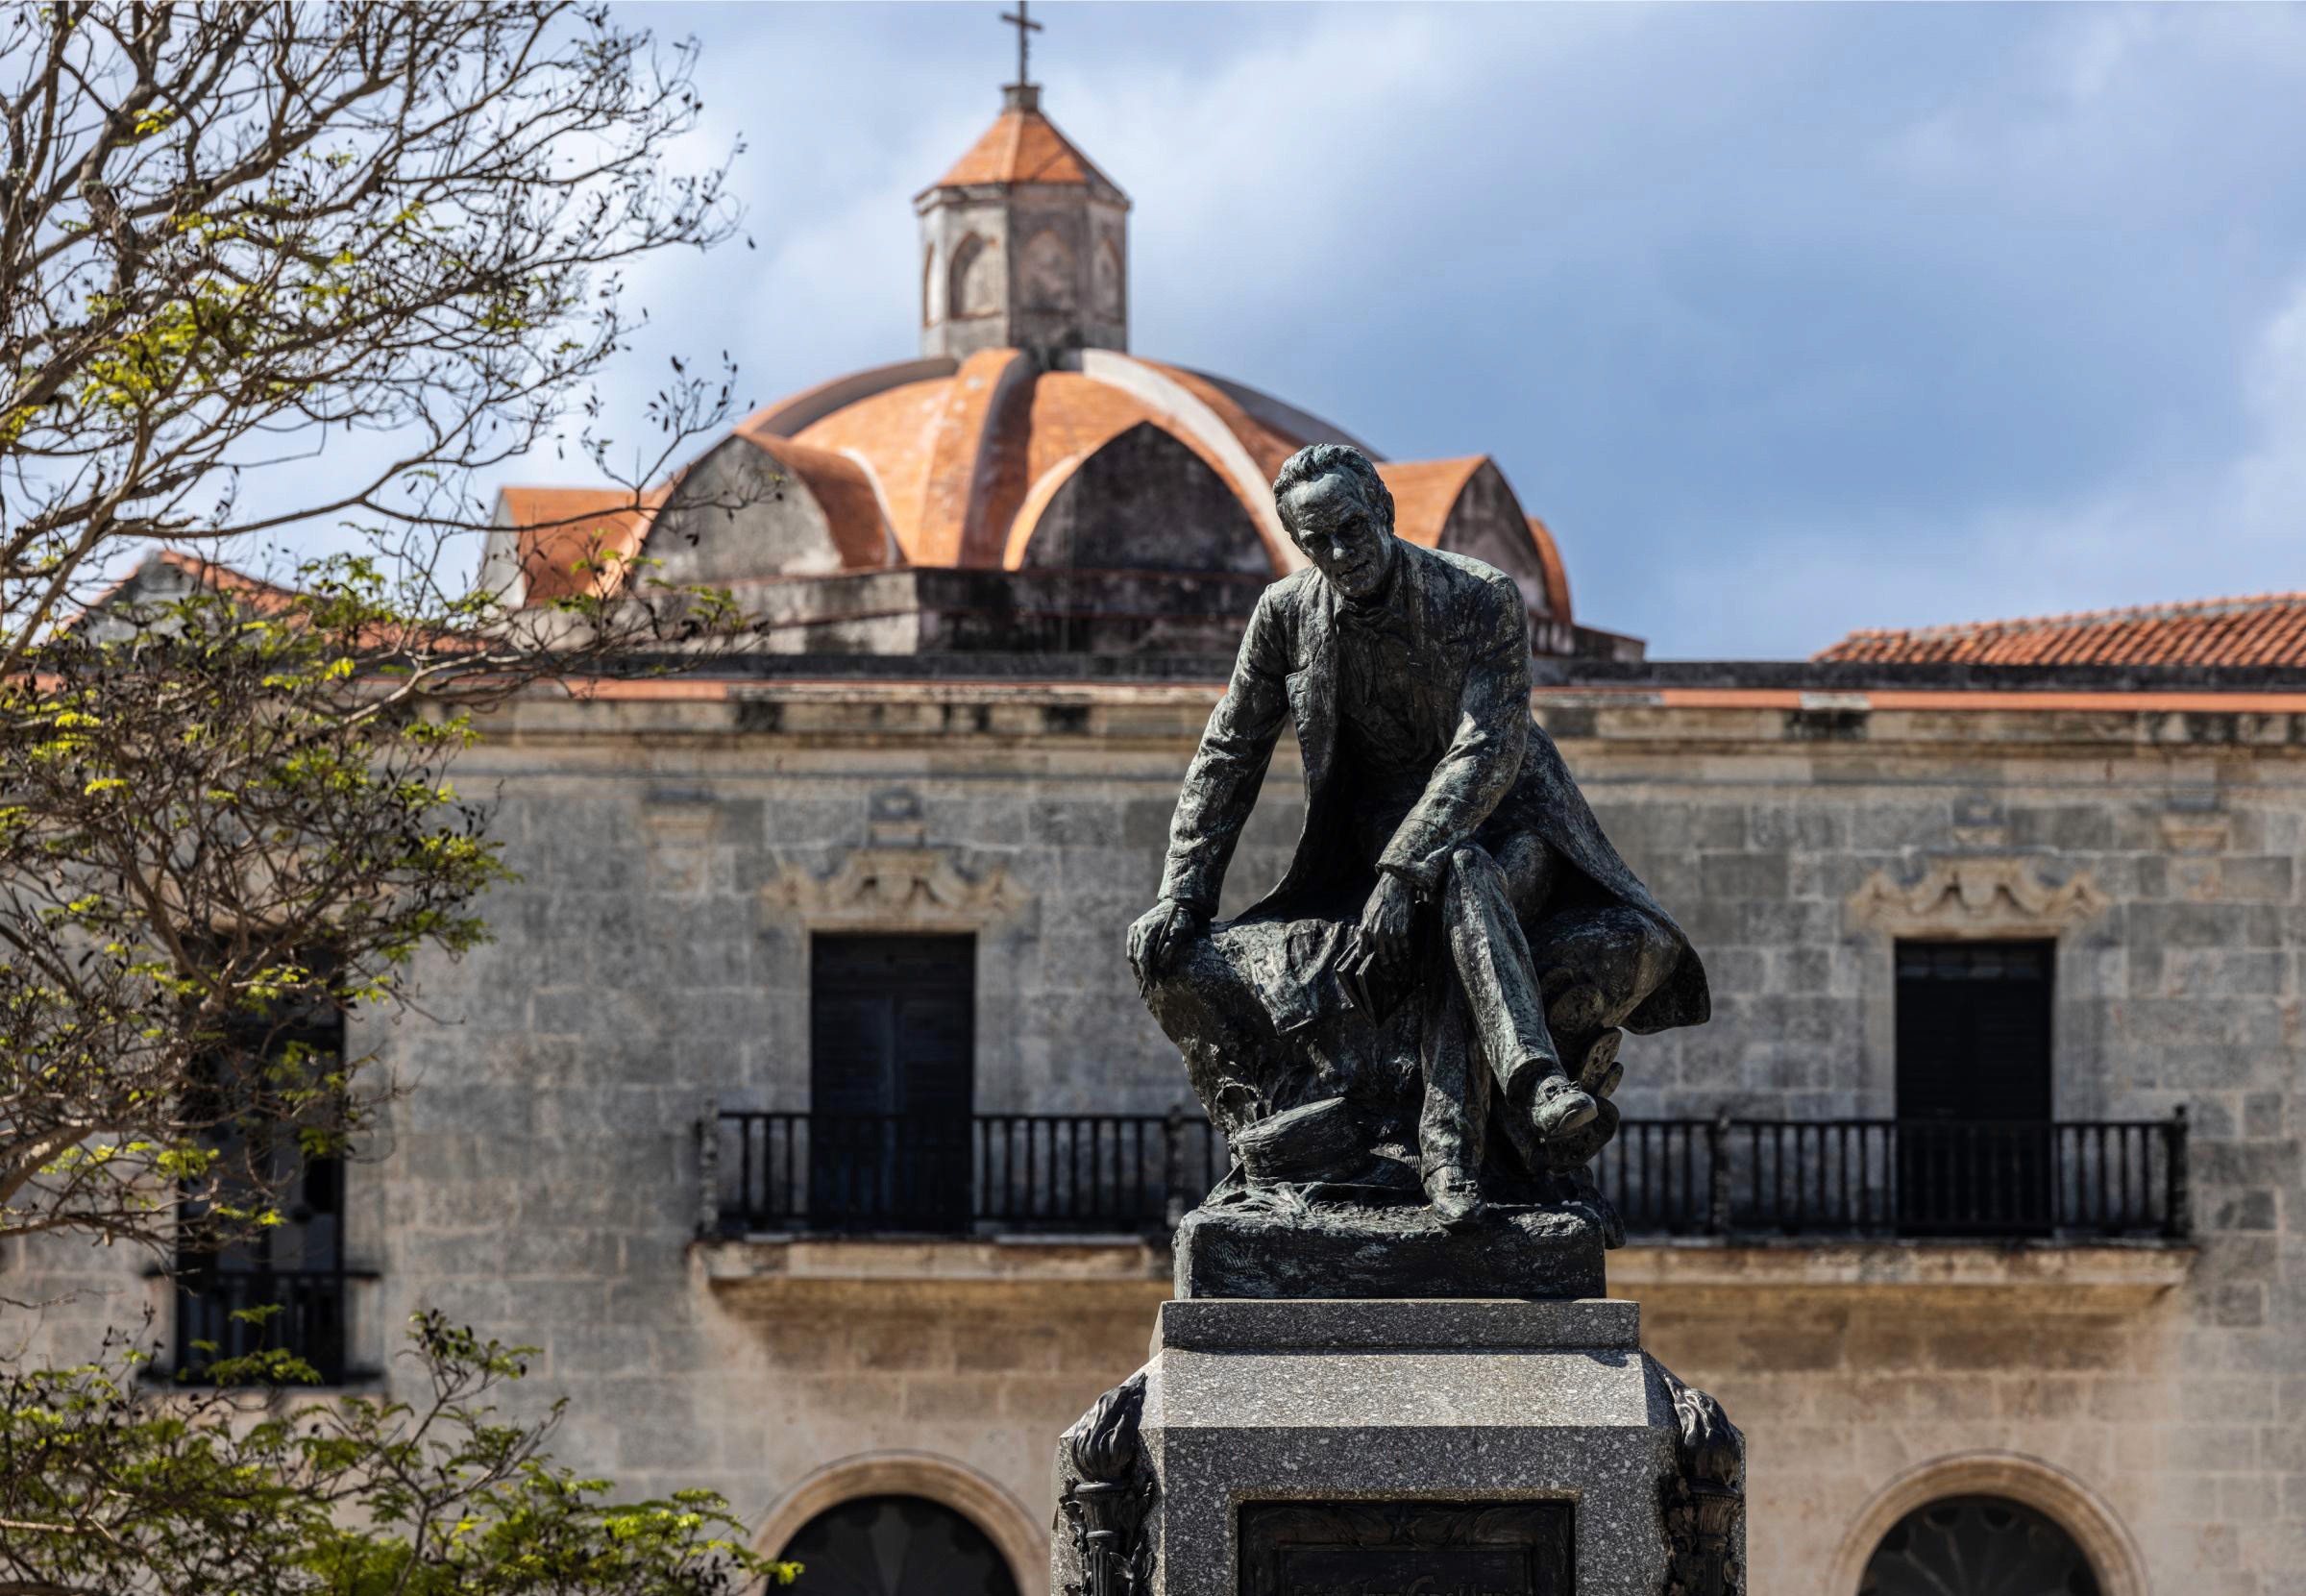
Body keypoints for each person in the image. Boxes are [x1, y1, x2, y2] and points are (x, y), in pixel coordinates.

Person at [1130, 444, 1707, 1228]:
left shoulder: (1479, 596)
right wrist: (1182, 893)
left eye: (1351, 528)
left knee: (1463, 876)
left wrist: (1404, 875)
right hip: (1368, 872)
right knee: (1177, 955)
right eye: (1317, 541)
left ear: (1385, 512)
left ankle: (1480, 1124)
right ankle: (1519, 1098)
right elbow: (1228, 753)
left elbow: (1486, 749)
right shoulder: (1287, 615)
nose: (1339, 553)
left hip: (1511, 835)